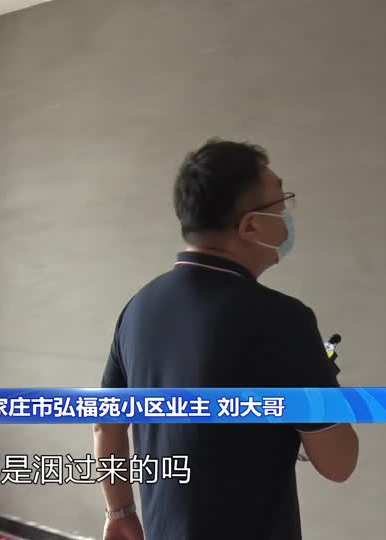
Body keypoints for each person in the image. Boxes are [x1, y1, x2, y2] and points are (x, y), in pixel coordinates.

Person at [93, 139, 359, 540]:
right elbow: (339, 463)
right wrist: (319, 375)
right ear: (250, 226)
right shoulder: (283, 320)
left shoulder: (138, 308)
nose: (287, 216)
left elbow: (106, 424)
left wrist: (120, 512)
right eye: (280, 203)